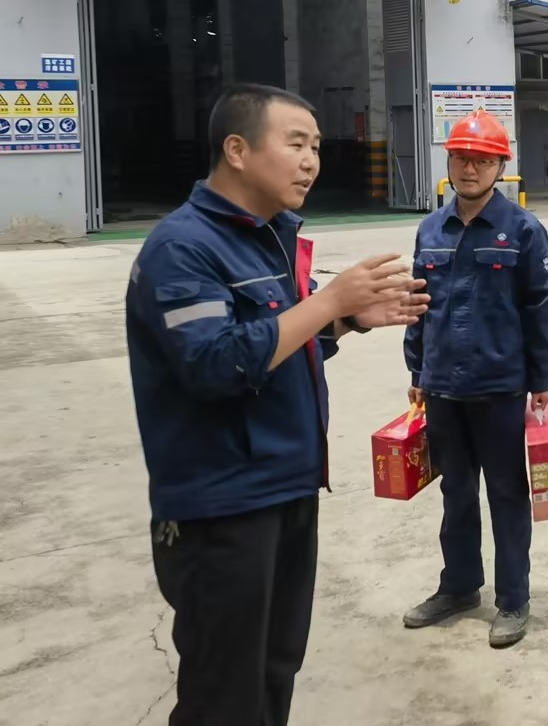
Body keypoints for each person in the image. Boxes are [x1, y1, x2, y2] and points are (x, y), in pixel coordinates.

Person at [125, 83, 428, 726]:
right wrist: (328, 301)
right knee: (224, 693)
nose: (311, 161)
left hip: (286, 488)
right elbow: (213, 364)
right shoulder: (184, 248)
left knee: (274, 668)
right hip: (223, 505)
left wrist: (345, 321)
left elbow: (277, 345)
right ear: (237, 150)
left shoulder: (268, 238)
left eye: (316, 146)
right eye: (296, 144)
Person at [400, 109, 548, 646]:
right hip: (443, 386)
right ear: (448, 162)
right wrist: (418, 369)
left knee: (507, 494)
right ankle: (459, 586)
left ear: (500, 167)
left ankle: (513, 598)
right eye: (461, 158)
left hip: (500, 388)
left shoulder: (523, 230)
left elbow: (540, 308)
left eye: (482, 160)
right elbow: (418, 307)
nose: (469, 169)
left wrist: (541, 377)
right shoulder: (431, 229)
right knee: (456, 492)